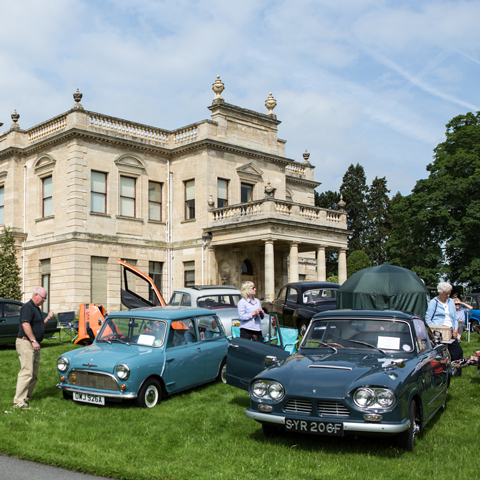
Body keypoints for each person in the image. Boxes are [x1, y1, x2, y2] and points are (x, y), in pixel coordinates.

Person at [13, 287, 54, 408]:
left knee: (34, 374)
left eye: (45, 298)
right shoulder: (27, 307)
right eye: (43, 298)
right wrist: (33, 340)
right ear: (36, 295)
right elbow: (25, 324)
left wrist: (47, 319)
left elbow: (39, 325)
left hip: (34, 344)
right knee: (27, 371)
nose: (44, 300)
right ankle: (18, 401)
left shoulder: (36, 309)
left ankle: (26, 397)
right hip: (26, 342)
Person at [425, 282, 463, 376]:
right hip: (439, 331)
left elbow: (454, 318)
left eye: (449, 293)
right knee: (439, 353)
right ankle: (439, 372)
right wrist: (436, 329)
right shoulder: (434, 302)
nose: (448, 295)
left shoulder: (450, 302)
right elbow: (428, 319)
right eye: (446, 294)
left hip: (450, 330)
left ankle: (456, 372)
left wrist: (455, 329)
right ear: (441, 293)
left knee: (458, 351)